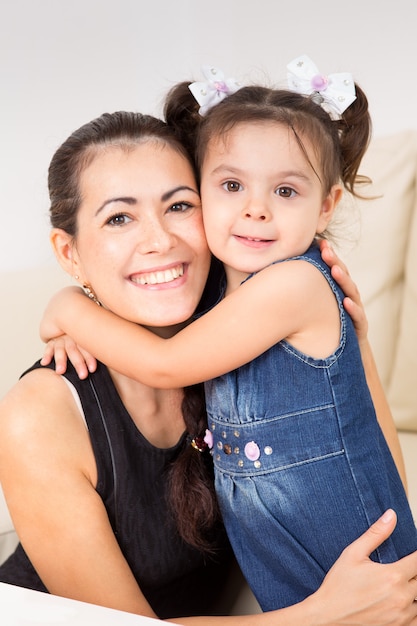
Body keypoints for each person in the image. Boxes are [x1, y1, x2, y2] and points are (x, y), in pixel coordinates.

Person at [3, 112, 417, 626]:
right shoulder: (37, 415)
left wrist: (351, 345)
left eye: (180, 205)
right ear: (70, 254)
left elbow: (368, 467)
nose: (160, 240)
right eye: (118, 218)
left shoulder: (243, 337)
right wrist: (322, 616)